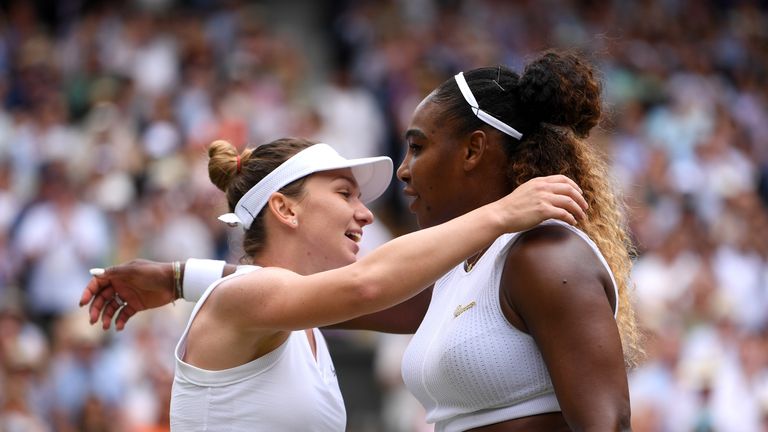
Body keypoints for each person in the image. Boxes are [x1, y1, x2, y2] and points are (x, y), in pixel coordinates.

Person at [82, 50, 638, 431]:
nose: (368, 210)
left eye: (417, 147)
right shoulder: (271, 306)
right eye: (345, 193)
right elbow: (365, 286)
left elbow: (606, 423)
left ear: (473, 151)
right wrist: (502, 212)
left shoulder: (537, 256)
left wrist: (178, 277)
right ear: (284, 208)